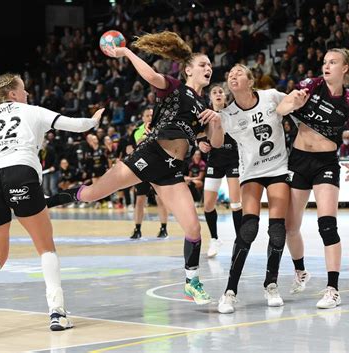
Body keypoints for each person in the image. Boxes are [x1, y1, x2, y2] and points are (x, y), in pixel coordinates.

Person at [46, 31, 224, 305]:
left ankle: (192, 282)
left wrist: (216, 122)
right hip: (149, 154)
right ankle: (49, 201)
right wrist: (127, 52)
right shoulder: (176, 87)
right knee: (93, 194)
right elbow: (152, 77)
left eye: (210, 65)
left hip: (171, 170)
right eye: (203, 64)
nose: (208, 68)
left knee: (193, 229)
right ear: (188, 69)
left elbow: (212, 144)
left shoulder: (205, 105)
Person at [0, 73, 104, 335]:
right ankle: (57, 313)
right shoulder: (31, 110)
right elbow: (76, 125)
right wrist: (94, 119)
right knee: (46, 247)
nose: (27, 94)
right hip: (20, 171)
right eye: (24, 89)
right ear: (13, 94)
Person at [276, 48, 349, 309]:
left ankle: (333, 289)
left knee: (327, 225)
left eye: (332, 62)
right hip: (298, 161)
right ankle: (301, 271)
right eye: (324, 62)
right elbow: (281, 109)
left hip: (326, 164)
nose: (326, 66)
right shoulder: (310, 86)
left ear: (345, 68)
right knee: (289, 227)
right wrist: (293, 103)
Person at [214, 64, 290, 313]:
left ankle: (271, 283)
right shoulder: (227, 114)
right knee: (248, 229)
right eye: (230, 74)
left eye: (238, 72)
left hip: (278, 168)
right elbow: (215, 142)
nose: (232, 75)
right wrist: (214, 120)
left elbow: (294, 109)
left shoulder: (271, 97)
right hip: (251, 173)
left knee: (278, 230)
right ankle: (229, 290)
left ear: (250, 80)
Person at [198, 84, 242, 258]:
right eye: (214, 92)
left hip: (233, 160)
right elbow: (198, 134)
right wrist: (200, 144)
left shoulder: (233, 113)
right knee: (208, 205)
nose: (218, 94)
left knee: (236, 203)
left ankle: (240, 242)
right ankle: (215, 239)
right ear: (210, 98)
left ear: (225, 96)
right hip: (215, 161)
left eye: (220, 92)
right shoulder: (205, 115)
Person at [129, 107, 169, 240]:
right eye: (147, 116)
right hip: (142, 165)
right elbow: (138, 144)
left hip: (158, 165)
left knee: (160, 199)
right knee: (140, 199)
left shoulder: (162, 128)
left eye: (152, 115)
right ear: (143, 118)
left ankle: (164, 228)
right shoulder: (137, 131)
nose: (150, 118)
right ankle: (137, 229)